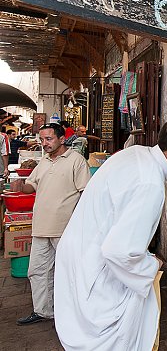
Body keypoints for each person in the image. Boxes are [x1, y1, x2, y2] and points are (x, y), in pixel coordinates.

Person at [54, 119, 167, 350]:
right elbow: (120, 252)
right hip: (95, 263)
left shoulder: (137, 154)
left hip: (82, 251)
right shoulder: (150, 183)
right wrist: (151, 264)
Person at [10, 122, 91, 326]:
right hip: (41, 227)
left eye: (49, 139)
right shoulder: (44, 161)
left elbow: (86, 194)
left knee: (69, 272)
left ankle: (77, 313)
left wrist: (79, 223)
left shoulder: (76, 161)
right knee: (36, 271)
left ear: (62, 139)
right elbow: (32, 186)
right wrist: (21, 185)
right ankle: (43, 311)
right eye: (42, 139)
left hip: (64, 228)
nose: (44, 143)